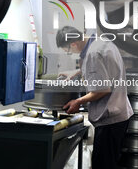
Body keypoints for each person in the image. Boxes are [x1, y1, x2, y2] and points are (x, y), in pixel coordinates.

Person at [56, 26, 133, 169]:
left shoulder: (93, 53)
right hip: (120, 111)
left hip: (110, 118)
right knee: (110, 161)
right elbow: (104, 68)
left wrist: (78, 101)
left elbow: (102, 89)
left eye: (67, 50)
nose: (69, 52)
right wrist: (77, 71)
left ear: (73, 43)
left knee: (103, 164)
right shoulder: (101, 42)